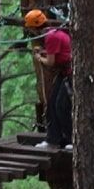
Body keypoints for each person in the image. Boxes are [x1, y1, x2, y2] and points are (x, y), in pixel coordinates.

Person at [29, 9, 74, 150]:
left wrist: (39, 58)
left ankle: (72, 140)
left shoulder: (50, 36)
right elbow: (57, 53)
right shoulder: (52, 32)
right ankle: (53, 139)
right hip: (64, 73)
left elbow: (50, 62)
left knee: (61, 106)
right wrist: (43, 52)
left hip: (70, 73)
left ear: (33, 28)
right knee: (52, 104)